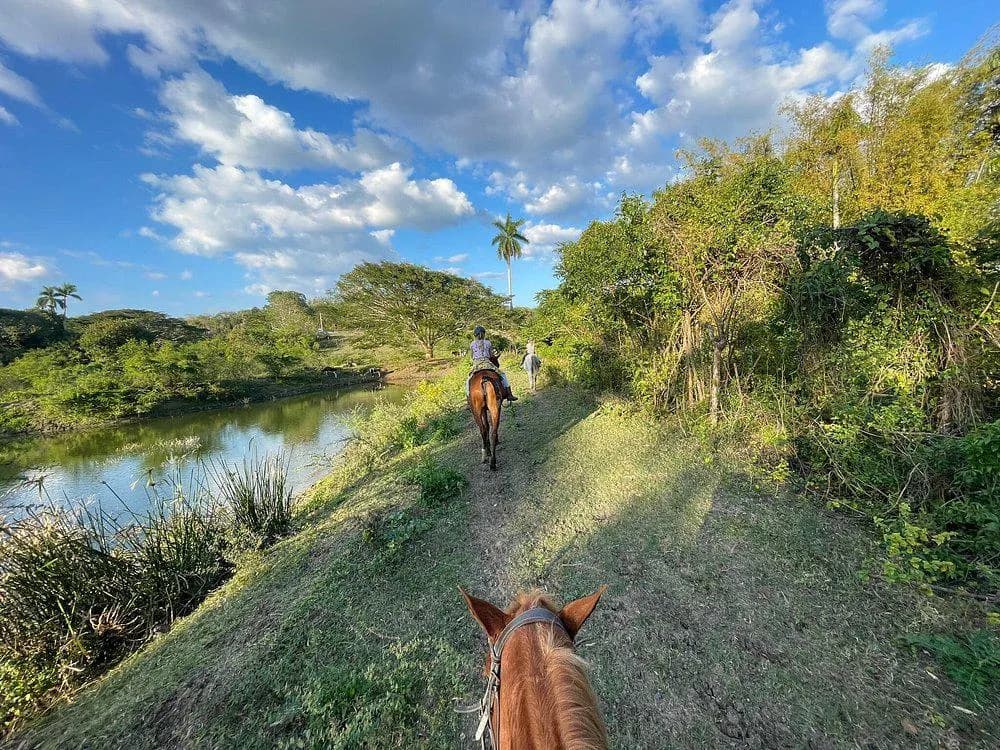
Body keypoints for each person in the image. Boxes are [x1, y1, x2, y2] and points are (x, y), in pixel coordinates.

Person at [468, 325, 517, 402]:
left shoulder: (472, 344)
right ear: (484, 334)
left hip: (477, 365)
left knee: (468, 380)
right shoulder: (488, 343)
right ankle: (509, 394)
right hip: (488, 364)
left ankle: (469, 399)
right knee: (503, 375)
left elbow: (472, 356)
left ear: (475, 335)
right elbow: (491, 355)